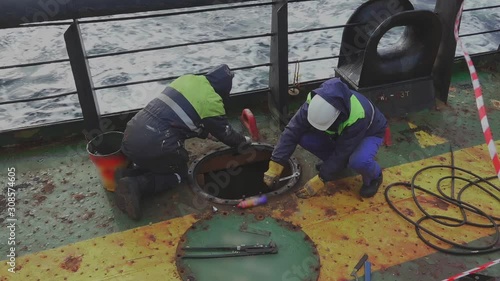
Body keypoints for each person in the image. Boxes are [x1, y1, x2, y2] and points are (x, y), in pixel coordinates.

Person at [116, 64, 252, 220]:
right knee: (179, 172)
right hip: (156, 145)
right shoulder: (212, 101)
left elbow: (182, 117)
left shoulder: (188, 79)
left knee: (158, 157)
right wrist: (244, 142)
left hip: (130, 135)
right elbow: (227, 135)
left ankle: (127, 174)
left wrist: (207, 133)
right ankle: (137, 184)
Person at [263, 78, 387, 198]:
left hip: (369, 132)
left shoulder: (358, 116)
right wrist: (276, 163)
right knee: (304, 137)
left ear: (337, 117)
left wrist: (322, 178)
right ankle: (336, 166)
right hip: (339, 132)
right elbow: (293, 130)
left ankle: (374, 177)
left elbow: (343, 152)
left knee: (359, 160)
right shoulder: (315, 102)